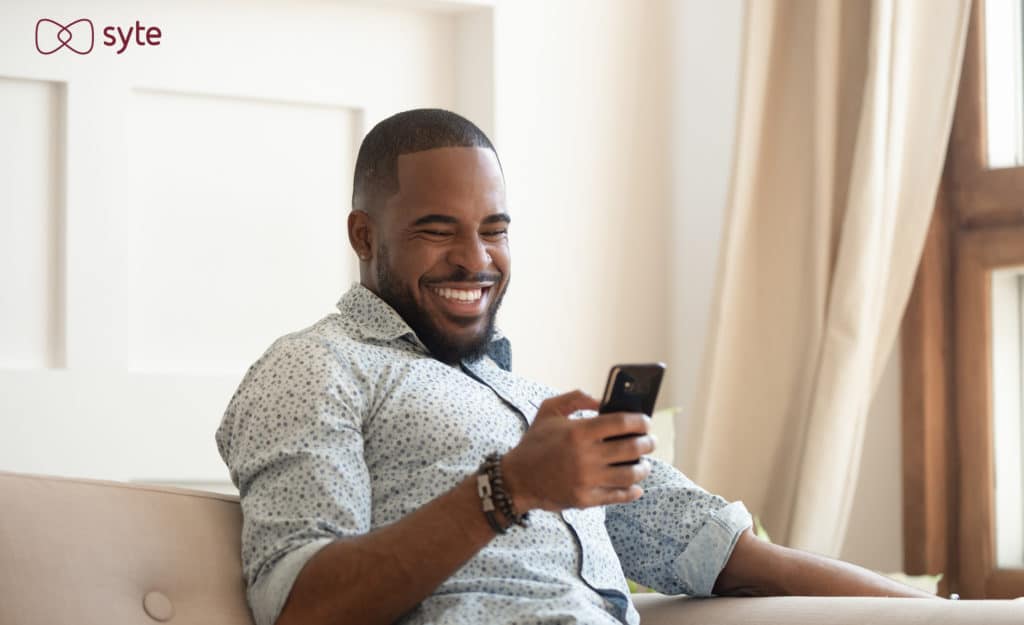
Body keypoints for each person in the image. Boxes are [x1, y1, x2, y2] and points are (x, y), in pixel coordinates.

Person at [215, 109, 935, 625]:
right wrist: (507, 488)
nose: (476, 259)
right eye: (438, 232)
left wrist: (962, 616)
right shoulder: (315, 367)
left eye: (494, 231)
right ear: (363, 235)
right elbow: (304, 608)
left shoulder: (537, 408)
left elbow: (731, 553)